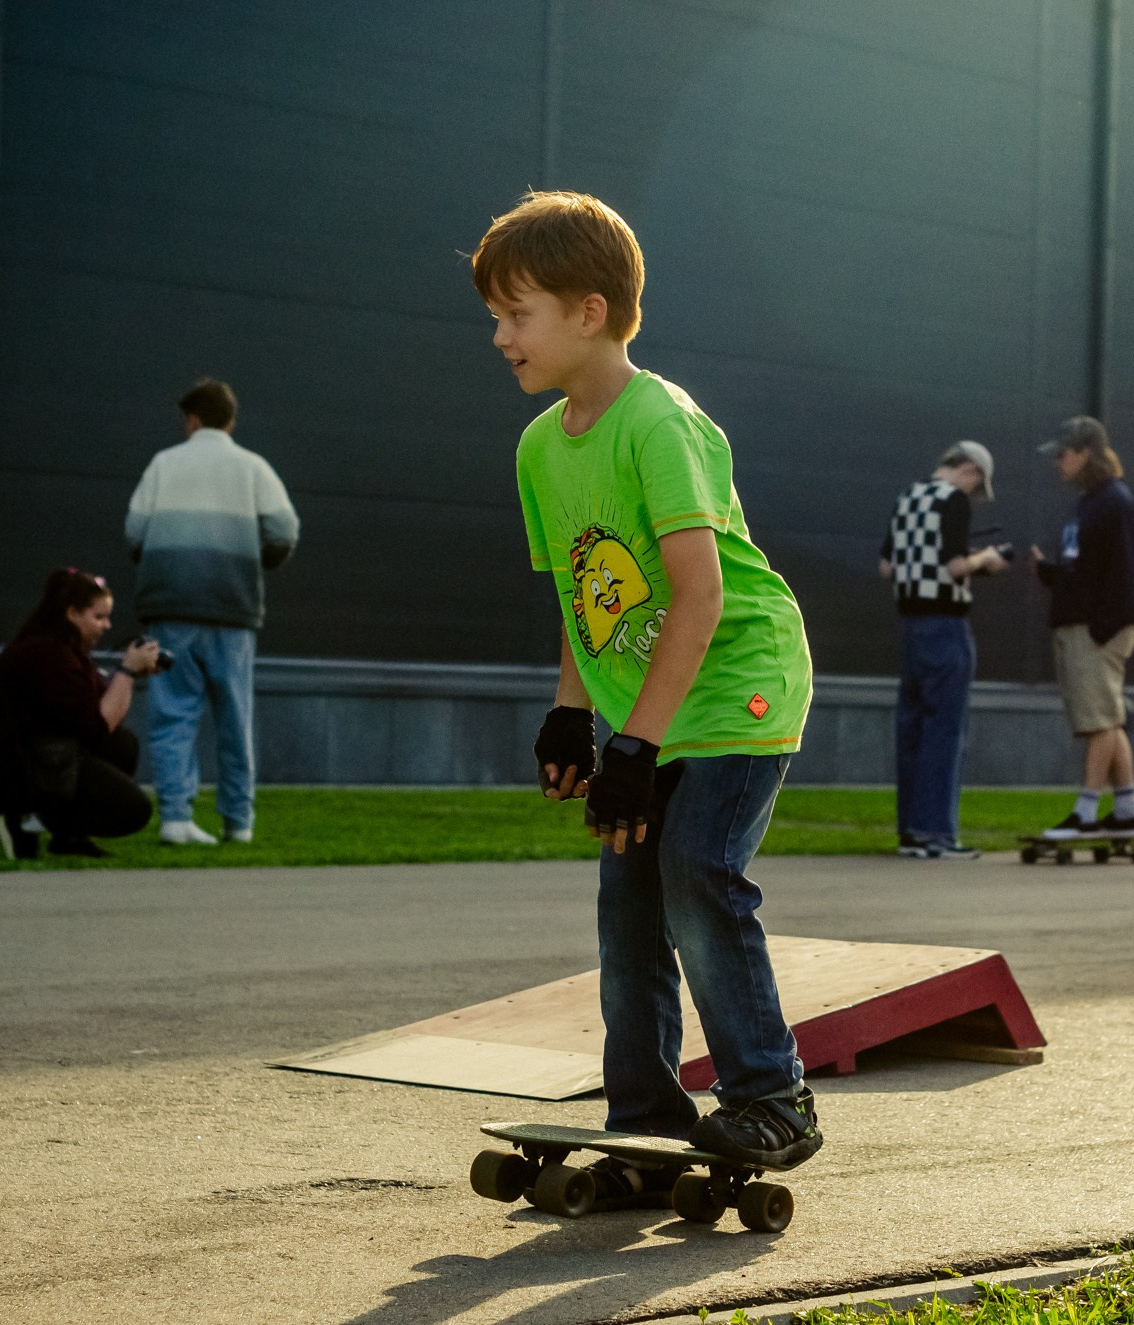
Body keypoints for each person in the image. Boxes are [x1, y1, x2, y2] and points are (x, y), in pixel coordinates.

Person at [472, 191, 823, 1196]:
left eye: (517, 314)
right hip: (650, 708)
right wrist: (573, 713)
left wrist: (636, 748)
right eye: (494, 316)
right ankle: (644, 1119)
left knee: (693, 870)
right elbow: (591, 599)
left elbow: (700, 593)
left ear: (588, 311)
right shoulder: (541, 446)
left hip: (739, 681)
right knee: (625, 903)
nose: (500, 337)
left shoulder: (656, 420)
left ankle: (771, 1094)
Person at [124, 378, 299, 846]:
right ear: (231, 420)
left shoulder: (163, 464)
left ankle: (176, 819)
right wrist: (256, 560)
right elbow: (285, 529)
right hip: (232, 611)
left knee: (172, 716)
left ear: (192, 420)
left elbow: (134, 532)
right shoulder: (253, 468)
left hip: (170, 611)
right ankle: (238, 823)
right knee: (234, 719)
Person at [878, 442, 1011, 859]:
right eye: (976, 485)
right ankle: (937, 833)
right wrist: (987, 557)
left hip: (912, 625)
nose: (973, 495)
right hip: (946, 625)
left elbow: (887, 566)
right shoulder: (953, 500)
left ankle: (911, 834)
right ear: (970, 469)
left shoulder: (909, 496)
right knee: (945, 731)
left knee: (913, 728)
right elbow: (955, 567)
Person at [0, 568, 160, 858]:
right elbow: (96, 726)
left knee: (123, 745)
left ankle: (67, 837)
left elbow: (106, 719)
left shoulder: (64, 648)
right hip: (13, 770)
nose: (107, 626)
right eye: (98, 617)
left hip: (43, 758)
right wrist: (127, 672)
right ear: (72, 614)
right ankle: (23, 821)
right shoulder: (47, 654)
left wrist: (130, 676)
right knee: (134, 810)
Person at [1030, 416, 1134, 839]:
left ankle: (1085, 813)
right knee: (1107, 718)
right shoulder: (1088, 503)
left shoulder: (1116, 502)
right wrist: (1049, 573)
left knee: (1098, 720)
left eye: (1063, 454)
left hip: (1097, 629)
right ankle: (1128, 807)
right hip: (1080, 624)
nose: (1057, 463)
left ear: (1085, 453)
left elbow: (1124, 574)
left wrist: (1103, 629)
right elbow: (1085, 572)